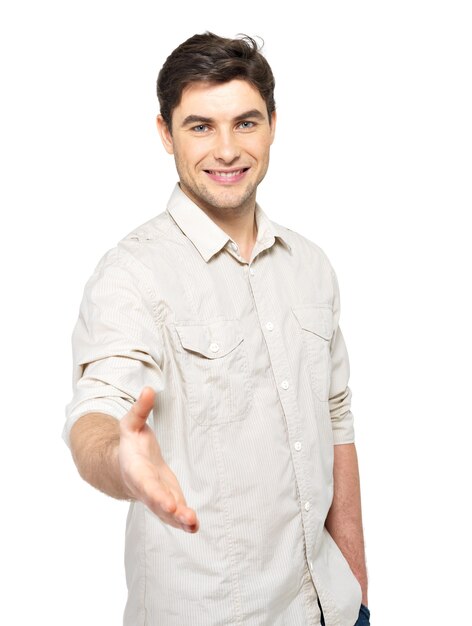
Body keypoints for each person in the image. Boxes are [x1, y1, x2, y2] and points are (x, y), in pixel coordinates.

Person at [63, 32, 370, 626]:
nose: (226, 150)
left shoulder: (311, 265)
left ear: (273, 125)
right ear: (164, 133)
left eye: (245, 123)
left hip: (330, 607)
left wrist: (356, 589)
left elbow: (336, 420)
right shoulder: (133, 274)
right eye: (200, 126)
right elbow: (96, 412)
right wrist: (121, 461)